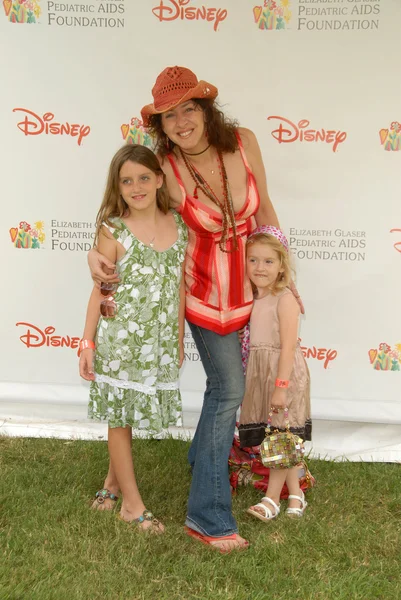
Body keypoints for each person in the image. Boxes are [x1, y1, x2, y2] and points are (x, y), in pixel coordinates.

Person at [88, 66, 302, 552]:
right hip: (199, 294)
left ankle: (196, 456)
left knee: (236, 386)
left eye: (189, 108)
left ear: (206, 110)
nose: (181, 121)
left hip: (249, 289)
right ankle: (208, 515)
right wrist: (94, 252)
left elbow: (264, 212)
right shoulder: (164, 166)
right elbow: (130, 204)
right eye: (169, 116)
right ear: (160, 127)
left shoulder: (244, 141)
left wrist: (283, 280)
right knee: (227, 387)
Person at [79, 144, 187, 532]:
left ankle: (110, 484)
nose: (137, 186)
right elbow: (100, 290)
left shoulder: (180, 225)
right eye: (127, 181)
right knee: (119, 419)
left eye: (145, 177)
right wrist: (87, 343)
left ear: (159, 180)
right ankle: (131, 505)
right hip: (119, 343)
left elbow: (179, 288)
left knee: (128, 413)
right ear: (118, 188)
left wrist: (177, 338)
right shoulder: (114, 229)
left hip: (156, 344)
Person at [238, 226, 311, 521]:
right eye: (253, 260)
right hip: (260, 373)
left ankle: (271, 500)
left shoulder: (285, 299)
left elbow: (288, 347)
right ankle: (296, 494)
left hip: (283, 374)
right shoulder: (250, 296)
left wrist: (281, 387)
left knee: (281, 436)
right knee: (280, 436)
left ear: (282, 265)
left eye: (268, 261)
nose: (260, 267)